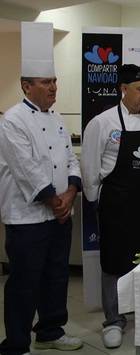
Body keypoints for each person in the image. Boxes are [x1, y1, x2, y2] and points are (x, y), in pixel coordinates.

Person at [0, 21, 83, 355]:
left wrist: (71, 192)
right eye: (45, 82)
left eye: (54, 82)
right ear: (26, 85)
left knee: (56, 276)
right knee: (24, 282)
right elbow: (26, 170)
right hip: (26, 218)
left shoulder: (58, 118)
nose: (52, 88)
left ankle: (50, 330)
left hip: (60, 215)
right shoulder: (13, 120)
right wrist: (54, 200)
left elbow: (71, 162)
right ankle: (17, 344)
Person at [81, 64, 140, 348]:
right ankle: (113, 320)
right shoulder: (103, 123)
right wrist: (94, 204)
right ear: (123, 89)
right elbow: (90, 169)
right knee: (114, 263)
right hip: (117, 202)